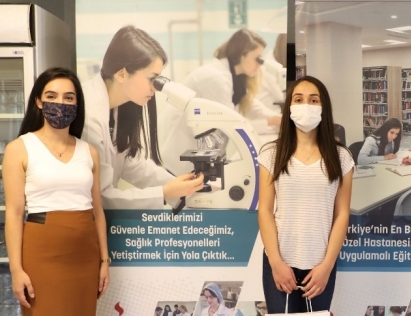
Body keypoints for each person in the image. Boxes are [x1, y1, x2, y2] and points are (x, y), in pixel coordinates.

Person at [3, 68, 110, 315]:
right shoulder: (19, 148)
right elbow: (14, 213)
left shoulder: (89, 151)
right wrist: (16, 270)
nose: (60, 103)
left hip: (85, 254)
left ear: (77, 104)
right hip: (41, 251)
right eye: (51, 96)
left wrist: (104, 261)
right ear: (39, 101)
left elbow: (98, 211)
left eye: (68, 98)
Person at [258, 76, 354, 313]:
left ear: (323, 107)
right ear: (290, 107)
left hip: (320, 267)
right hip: (280, 264)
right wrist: (276, 262)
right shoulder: (271, 153)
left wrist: (327, 266)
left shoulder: (341, 157)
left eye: (313, 100)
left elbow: (342, 214)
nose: (306, 106)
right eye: (298, 100)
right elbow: (265, 210)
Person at [82, 26, 204, 209]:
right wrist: (164, 192)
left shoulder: (119, 106)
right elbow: (101, 197)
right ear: (121, 74)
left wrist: (182, 187)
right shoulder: (89, 116)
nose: (155, 87)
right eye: (151, 79)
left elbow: (131, 163)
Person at [160, 28, 282, 176]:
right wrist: (270, 122)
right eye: (257, 58)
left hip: (200, 150)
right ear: (242, 55)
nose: (259, 64)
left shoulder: (235, 78)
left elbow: (253, 106)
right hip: (183, 150)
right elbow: (231, 123)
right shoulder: (217, 78)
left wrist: (280, 119)